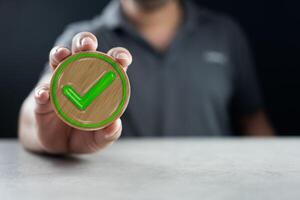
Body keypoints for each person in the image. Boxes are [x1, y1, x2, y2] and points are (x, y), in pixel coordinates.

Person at [18, 0, 274, 154]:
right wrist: (46, 133)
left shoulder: (224, 33)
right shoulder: (83, 43)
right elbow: (33, 113)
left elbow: (252, 118)